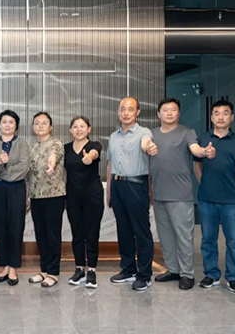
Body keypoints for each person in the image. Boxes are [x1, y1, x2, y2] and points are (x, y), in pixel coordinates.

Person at [149, 98, 216, 291]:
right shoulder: (152, 134)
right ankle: (173, 270)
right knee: (166, 237)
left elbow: (196, 149)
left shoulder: (187, 132)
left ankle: (187, 274)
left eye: (173, 110)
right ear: (159, 114)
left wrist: (204, 151)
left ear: (178, 113)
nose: (169, 113)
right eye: (165, 110)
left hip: (180, 194)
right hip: (159, 193)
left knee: (183, 236)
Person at [194, 100, 235, 293]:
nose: (221, 117)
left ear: (232, 117)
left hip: (232, 200)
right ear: (211, 117)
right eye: (217, 113)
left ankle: (233, 277)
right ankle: (211, 275)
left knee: (233, 241)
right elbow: (197, 164)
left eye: (225, 113)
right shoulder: (203, 139)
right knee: (208, 240)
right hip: (207, 199)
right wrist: (204, 183)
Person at [106, 97, 156, 291]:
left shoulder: (144, 132)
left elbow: (146, 144)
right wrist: (109, 191)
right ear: (118, 112)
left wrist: (148, 147)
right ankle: (128, 269)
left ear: (138, 112)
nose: (126, 113)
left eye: (130, 109)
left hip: (136, 185)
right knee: (123, 230)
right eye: (123, 109)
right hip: (117, 185)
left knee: (141, 231)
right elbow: (110, 164)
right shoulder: (113, 136)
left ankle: (144, 275)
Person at [0, 110, 30, 286]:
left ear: (16, 125)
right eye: (4, 122)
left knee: (16, 227)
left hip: (16, 188)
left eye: (11, 122)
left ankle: (13, 268)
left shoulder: (23, 144)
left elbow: (24, 168)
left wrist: (1, 171)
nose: (7, 125)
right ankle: (4, 265)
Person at [64, 115, 103, 289]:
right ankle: (79, 268)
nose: (79, 129)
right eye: (75, 126)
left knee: (92, 233)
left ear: (89, 129)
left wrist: (90, 158)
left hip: (93, 195)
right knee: (77, 233)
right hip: (72, 196)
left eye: (82, 126)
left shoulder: (94, 145)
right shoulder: (65, 148)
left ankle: (92, 271)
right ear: (70, 130)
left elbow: (94, 153)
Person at [27, 112, 65, 288]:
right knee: (41, 235)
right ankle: (43, 270)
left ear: (51, 126)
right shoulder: (32, 148)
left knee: (52, 235)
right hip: (36, 196)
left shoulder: (56, 143)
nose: (40, 126)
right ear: (33, 127)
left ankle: (53, 272)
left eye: (44, 123)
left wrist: (52, 162)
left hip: (53, 196)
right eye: (37, 123)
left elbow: (55, 155)